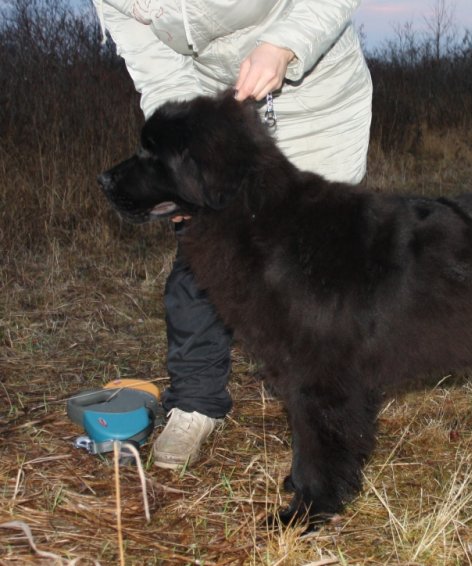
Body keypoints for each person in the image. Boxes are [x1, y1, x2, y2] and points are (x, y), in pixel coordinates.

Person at [93, 0, 372, 469]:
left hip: (317, 94)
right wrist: (182, 167)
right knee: (203, 259)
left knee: (317, 262)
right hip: (216, 117)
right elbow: (162, 74)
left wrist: (283, 44)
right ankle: (195, 404)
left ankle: (332, 394)